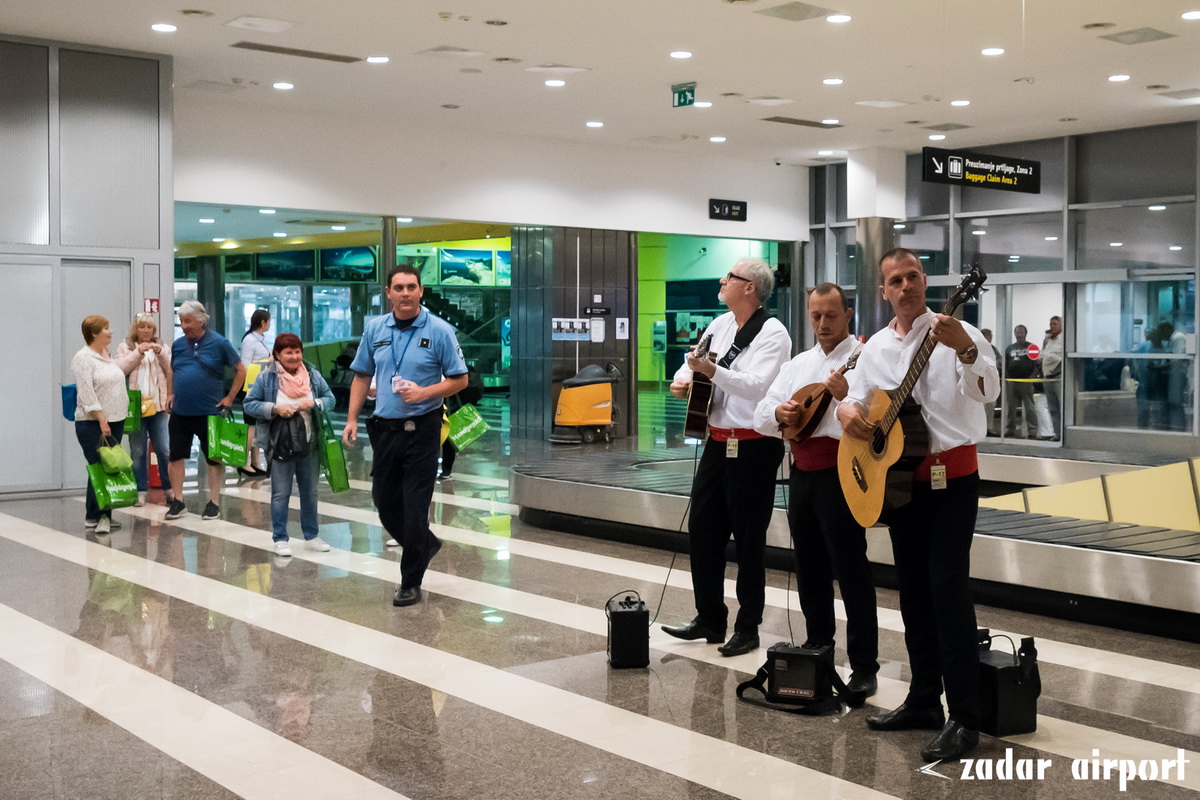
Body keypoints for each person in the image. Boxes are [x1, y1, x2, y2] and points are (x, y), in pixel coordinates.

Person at [837, 248, 999, 762]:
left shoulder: (958, 333)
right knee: (911, 592)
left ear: (925, 281)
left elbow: (989, 391)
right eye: (894, 280)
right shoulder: (877, 346)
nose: (905, 286)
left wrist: (968, 353)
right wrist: (846, 413)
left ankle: (965, 718)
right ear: (883, 290)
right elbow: (858, 399)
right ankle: (925, 698)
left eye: (912, 277)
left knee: (948, 590)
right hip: (901, 482)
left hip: (953, 480)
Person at [752, 283, 878, 695]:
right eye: (815, 316)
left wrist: (849, 397)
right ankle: (818, 647)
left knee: (851, 569)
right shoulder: (797, 365)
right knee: (809, 568)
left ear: (848, 315)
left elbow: (878, 412)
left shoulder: (864, 359)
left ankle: (864, 666)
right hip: (801, 474)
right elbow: (760, 415)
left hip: (843, 474)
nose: (822, 324)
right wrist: (779, 410)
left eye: (830, 315)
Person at [661, 258, 791, 657]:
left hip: (754, 445)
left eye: (730, 277)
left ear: (750, 286)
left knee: (749, 539)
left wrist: (710, 372)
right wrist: (684, 380)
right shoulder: (719, 324)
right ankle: (709, 617)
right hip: (717, 440)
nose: (723, 280)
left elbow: (755, 387)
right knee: (703, 531)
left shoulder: (773, 333)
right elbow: (695, 360)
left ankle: (748, 626)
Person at [343, 265, 468, 607]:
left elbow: (460, 379)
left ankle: (410, 581)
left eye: (411, 287)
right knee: (385, 505)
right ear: (388, 293)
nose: (405, 293)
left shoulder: (439, 331)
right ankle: (424, 544)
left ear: (421, 291)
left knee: (414, 511)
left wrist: (425, 392)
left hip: (423, 430)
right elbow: (361, 375)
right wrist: (352, 418)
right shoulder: (375, 328)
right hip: (385, 429)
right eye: (398, 288)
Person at [244, 333, 336, 557]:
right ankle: (280, 538)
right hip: (280, 444)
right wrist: (274, 409)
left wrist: (315, 403)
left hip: (309, 442)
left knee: (310, 492)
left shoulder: (312, 375)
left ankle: (311, 536)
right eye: (288, 352)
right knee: (281, 493)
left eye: (297, 351)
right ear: (277, 354)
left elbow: (330, 398)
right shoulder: (267, 378)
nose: (294, 356)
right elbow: (249, 404)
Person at [165, 300, 246, 521]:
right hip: (180, 411)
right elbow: (172, 371)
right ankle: (178, 501)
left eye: (187, 321)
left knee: (213, 458)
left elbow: (240, 369)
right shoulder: (178, 344)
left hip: (209, 411)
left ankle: (214, 502)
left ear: (201, 320)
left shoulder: (219, 343)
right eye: (181, 321)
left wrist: (230, 398)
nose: (183, 325)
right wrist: (170, 394)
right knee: (175, 456)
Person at [71, 315, 130, 534]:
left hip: (116, 419)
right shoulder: (83, 357)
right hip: (93, 423)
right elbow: (86, 392)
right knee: (100, 467)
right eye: (106, 329)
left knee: (107, 466)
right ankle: (102, 515)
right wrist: (102, 419)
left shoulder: (106, 355)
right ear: (95, 333)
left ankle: (94, 515)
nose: (110, 332)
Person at [116, 313, 175, 507]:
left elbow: (171, 369)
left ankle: (169, 489)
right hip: (135, 408)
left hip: (158, 407)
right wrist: (138, 352)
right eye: (142, 327)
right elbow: (120, 369)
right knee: (138, 451)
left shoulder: (162, 347)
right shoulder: (125, 347)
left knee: (164, 449)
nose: (146, 331)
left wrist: (161, 353)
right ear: (136, 329)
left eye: (150, 327)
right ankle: (140, 489)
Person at [239, 309, 272, 477]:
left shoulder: (260, 340)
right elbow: (245, 365)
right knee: (250, 426)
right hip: (251, 388)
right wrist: (268, 360)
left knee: (256, 426)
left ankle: (255, 462)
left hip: (261, 387)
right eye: (268, 321)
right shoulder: (250, 340)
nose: (270, 324)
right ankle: (244, 462)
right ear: (263, 322)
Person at [440, 364, 483, 480]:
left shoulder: (443, 369)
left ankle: (443, 471)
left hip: (444, 406)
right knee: (448, 442)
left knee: (437, 440)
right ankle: (446, 471)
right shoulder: (463, 367)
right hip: (454, 409)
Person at [1004, 325, 1039, 438]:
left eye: (1022, 331)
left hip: (1026, 380)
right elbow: (1005, 363)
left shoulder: (1031, 347)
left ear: (1026, 333)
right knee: (1011, 407)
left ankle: (1032, 431)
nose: (1019, 333)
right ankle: (1010, 429)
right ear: (1015, 333)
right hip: (1012, 381)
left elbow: (1037, 364)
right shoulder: (1010, 348)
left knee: (1029, 407)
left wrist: (1033, 376)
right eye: (1017, 331)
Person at [1041, 316, 1064, 440]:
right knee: (1053, 408)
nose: (1052, 326)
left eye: (1055, 324)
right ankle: (1057, 434)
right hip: (1047, 377)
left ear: (1061, 326)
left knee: (1062, 407)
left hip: (1058, 377)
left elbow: (1061, 358)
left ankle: (1065, 435)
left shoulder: (1063, 341)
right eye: (1050, 324)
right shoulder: (1048, 340)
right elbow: (1042, 355)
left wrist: (1048, 356)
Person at [979, 328, 1002, 436]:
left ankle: (989, 428)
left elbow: (1000, 360)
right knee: (981, 408)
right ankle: (981, 429)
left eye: (990, 337)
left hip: (992, 381)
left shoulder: (993, 349)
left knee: (991, 406)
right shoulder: (977, 348)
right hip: (981, 380)